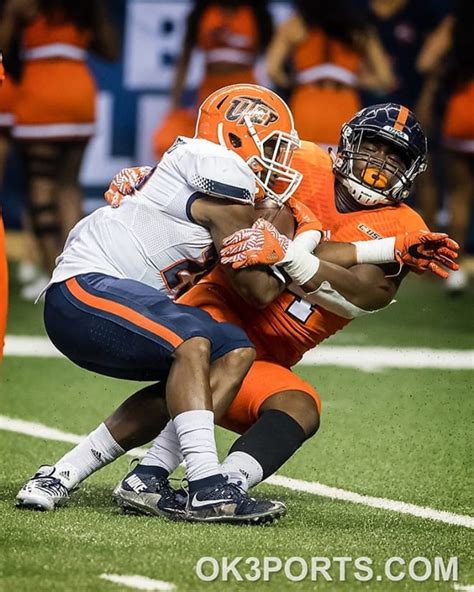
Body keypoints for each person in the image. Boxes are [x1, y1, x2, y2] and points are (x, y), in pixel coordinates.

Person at [16, 102, 459, 517]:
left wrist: (292, 253)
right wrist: (154, 181)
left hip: (271, 348)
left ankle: (223, 482)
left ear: (412, 172)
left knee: (299, 407)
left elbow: (366, 296)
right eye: (372, 147)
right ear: (345, 144)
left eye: (393, 156)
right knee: (201, 359)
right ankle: (134, 474)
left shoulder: (406, 228)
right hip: (223, 303)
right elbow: (222, 163)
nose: (378, 163)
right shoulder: (301, 160)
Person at [15, 83, 310, 524]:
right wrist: (291, 241)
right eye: (269, 145)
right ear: (233, 138)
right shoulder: (215, 168)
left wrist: (281, 235)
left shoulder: (202, 173)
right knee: (192, 341)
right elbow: (260, 289)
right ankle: (208, 485)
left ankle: (74, 473)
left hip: (111, 305)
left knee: (233, 349)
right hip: (82, 291)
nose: (275, 160)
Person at [0, 0, 119, 283]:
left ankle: (52, 273)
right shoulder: (85, 9)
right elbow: (111, 51)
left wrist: (10, 19)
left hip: (41, 95)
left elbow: (2, 51)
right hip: (80, 97)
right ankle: (80, 273)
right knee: (69, 187)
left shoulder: (26, 5)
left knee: (41, 187)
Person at [265, 0, 395, 150]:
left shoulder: (296, 25)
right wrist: (351, 80)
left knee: (302, 160)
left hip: (307, 100)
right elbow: (385, 78)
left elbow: (273, 70)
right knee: (339, 163)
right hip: (344, 101)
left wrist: (294, 84)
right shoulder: (358, 29)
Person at [154, 0, 273, 159]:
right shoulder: (203, 11)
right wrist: (173, 103)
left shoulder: (257, 13)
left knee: (244, 148)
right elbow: (184, 59)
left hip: (246, 92)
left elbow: (272, 60)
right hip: (210, 92)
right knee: (198, 146)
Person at [416, 0, 473, 293]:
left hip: (464, 104)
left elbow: (425, 62)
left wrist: (446, 72)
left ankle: (456, 271)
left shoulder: (456, 22)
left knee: (459, 195)